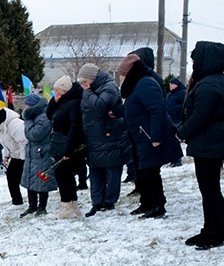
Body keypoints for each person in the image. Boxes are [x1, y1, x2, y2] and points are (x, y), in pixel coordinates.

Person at [177, 41, 224, 250]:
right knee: (208, 190)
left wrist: (181, 132)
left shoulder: (209, 84)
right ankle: (209, 229)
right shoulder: (213, 80)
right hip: (209, 139)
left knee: (211, 190)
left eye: (194, 59)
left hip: (210, 140)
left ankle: (216, 233)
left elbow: (201, 115)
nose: (192, 63)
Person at [119, 54, 182, 219]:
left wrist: (155, 136)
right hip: (141, 136)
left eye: (122, 73)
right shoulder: (137, 85)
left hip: (148, 136)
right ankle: (146, 203)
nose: (121, 77)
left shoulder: (145, 83)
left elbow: (157, 110)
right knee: (143, 172)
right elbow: (135, 107)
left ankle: (158, 206)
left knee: (151, 173)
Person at [78, 63, 128, 217]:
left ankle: (109, 200)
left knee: (112, 169)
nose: (84, 85)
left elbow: (100, 106)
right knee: (95, 171)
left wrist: (87, 93)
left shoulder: (109, 87)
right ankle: (97, 200)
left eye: (86, 81)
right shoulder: (91, 89)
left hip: (109, 135)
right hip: (93, 137)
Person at [47, 75, 85, 220]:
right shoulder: (62, 102)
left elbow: (75, 127)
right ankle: (72, 206)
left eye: (58, 91)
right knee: (64, 176)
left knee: (64, 177)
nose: (56, 93)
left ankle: (66, 207)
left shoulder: (73, 103)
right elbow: (49, 115)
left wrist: (68, 149)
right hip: (59, 142)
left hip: (66, 144)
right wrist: (54, 102)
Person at [20, 92, 55, 216]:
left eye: (27, 106)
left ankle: (42, 207)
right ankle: (32, 206)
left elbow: (34, 135)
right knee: (31, 179)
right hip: (32, 152)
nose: (25, 108)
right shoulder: (34, 116)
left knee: (42, 180)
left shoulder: (43, 117)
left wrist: (27, 120)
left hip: (42, 152)